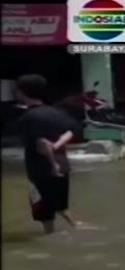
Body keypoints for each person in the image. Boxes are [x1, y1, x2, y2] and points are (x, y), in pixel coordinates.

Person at [15, 74, 83, 234]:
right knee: (61, 205)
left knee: (45, 215)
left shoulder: (29, 117)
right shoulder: (57, 112)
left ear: (22, 92)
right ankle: (77, 227)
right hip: (63, 166)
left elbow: (42, 144)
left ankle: (52, 239)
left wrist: (53, 165)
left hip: (42, 170)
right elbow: (72, 131)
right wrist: (58, 145)